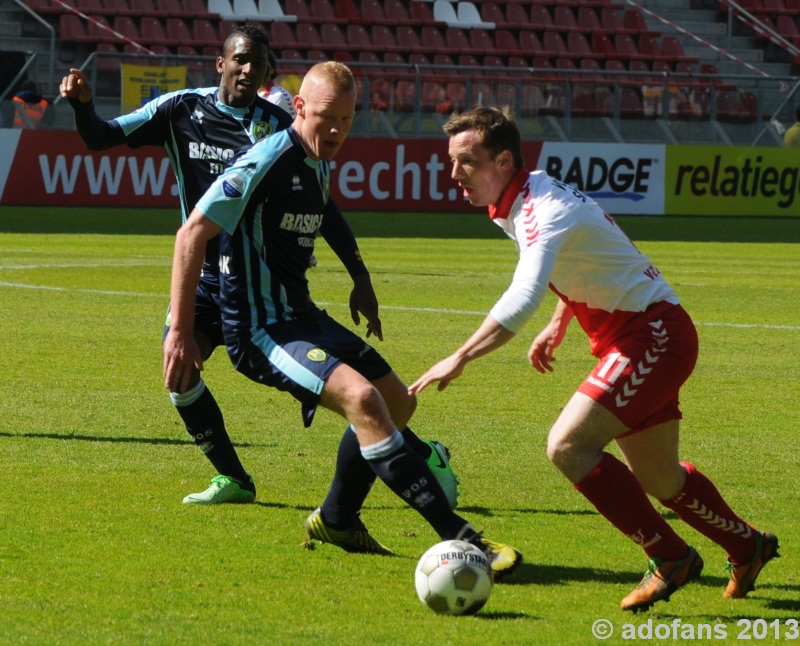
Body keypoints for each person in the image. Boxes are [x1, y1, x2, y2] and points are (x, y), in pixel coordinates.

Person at [59, 27, 458, 513]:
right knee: (179, 373)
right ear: (221, 63)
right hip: (202, 279)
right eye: (241, 60)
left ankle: (418, 452)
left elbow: (323, 207)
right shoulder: (178, 109)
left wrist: (359, 273)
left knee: (337, 386)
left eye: (260, 64)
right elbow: (101, 138)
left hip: (256, 287)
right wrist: (81, 106)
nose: (250, 70)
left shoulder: (279, 128)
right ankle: (233, 476)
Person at [409, 106, 778, 611]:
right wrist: (562, 321)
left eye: (465, 162)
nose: (453, 174)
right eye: (450, 161)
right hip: (647, 334)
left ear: (502, 160)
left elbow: (523, 295)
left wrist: (461, 357)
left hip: (651, 337)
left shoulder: (543, 209)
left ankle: (670, 557)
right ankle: (746, 545)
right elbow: (589, 254)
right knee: (661, 478)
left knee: (567, 446)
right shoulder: (524, 197)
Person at [163, 62, 522, 577]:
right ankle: (465, 540)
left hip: (300, 315)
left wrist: (360, 278)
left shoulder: (318, 161)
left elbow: (324, 212)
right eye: (327, 117)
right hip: (261, 329)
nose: (336, 131)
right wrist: (179, 329)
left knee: (398, 402)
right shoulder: (266, 158)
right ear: (301, 108)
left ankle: (336, 518)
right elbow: (191, 232)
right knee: (364, 400)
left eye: (347, 120)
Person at [258, 49, 296, 118]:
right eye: (257, 66)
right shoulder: (252, 94)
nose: (260, 70)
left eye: (264, 66)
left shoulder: (279, 96)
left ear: (272, 69)